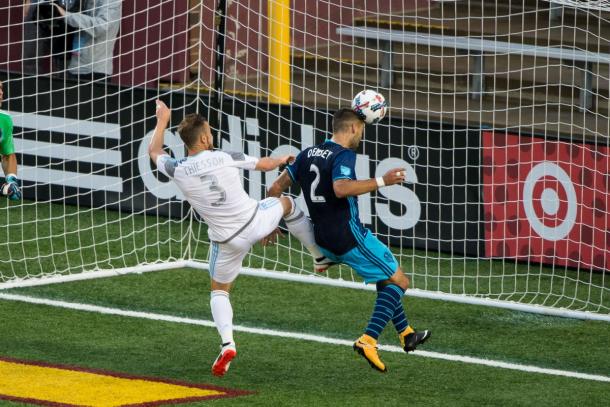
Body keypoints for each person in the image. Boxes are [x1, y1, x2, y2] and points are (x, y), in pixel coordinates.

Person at [148, 100, 332, 377]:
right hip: (255, 219)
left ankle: (227, 344)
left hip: (227, 240)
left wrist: (163, 119)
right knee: (287, 204)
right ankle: (319, 256)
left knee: (219, 290)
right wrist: (282, 160)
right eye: (209, 131)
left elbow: (154, 150)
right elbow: (265, 164)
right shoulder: (224, 156)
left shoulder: (178, 168)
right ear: (205, 137)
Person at [267, 108, 430, 373]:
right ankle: (368, 340)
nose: (361, 135)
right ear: (353, 128)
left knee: (383, 276)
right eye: (362, 129)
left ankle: (406, 333)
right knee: (400, 280)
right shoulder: (344, 155)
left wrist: (270, 223)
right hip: (349, 236)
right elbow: (340, 188)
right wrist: (382, 181)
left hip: (323, 237)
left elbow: (274, 189)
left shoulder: (308, 153)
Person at [23, 0, 122, 80]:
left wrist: (65, 15)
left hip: (94, 71)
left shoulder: (111, 2)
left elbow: (101, 27)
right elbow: (75, 22)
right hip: (74, 67)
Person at [0, 81, 22, 202]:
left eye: (1, 88)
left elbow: (7, 155)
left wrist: (11, 180)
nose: (1, 92)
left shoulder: (5, 120)